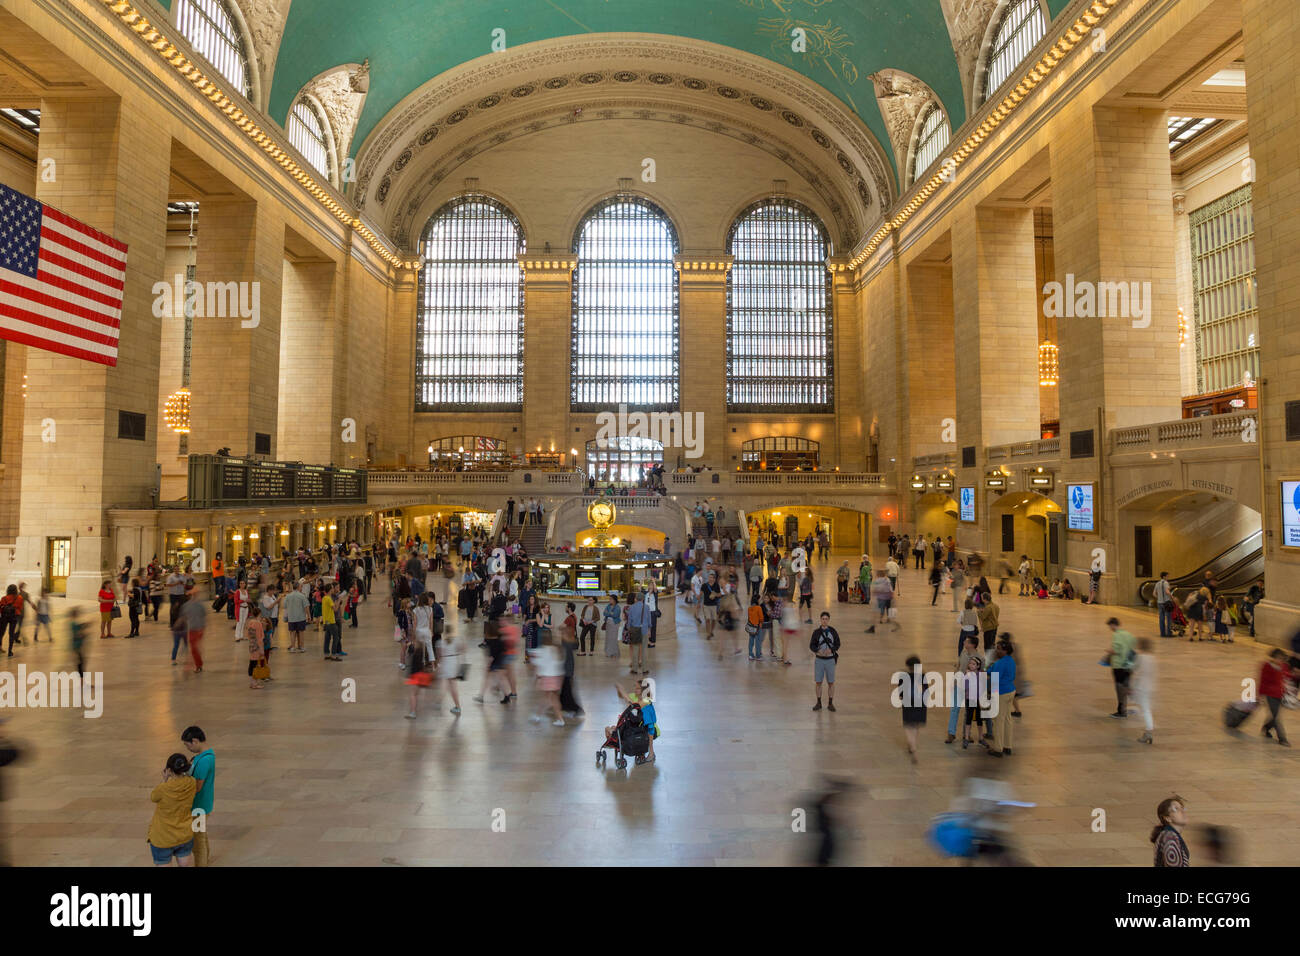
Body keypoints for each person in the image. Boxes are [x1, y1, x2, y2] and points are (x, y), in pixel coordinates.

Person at [147, 753, 198, 867]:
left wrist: (164, 779)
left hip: (163, 837)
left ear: (169, 770)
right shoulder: (192, 782)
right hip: (184, 833)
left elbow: (153, 797)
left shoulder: (163, 788)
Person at [181, 726, 215, 866]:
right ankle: (205, 860)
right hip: (203, 804)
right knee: (202, 835)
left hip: (198, 807)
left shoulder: (204, 761)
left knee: (198, 841)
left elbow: (197, 787)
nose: (187, 748)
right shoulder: (205, 756)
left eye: (187, 744)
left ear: (195, 741)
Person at [945, 635, 982, 745]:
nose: (964, 643)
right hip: (959, 685)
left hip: (971, 689)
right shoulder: (963, 653)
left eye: (966, 642)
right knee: (954, 708)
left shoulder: (980, 658)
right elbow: (959, 665)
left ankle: (966, 733)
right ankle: (951, 733)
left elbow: (982, 674)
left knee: (968, 711)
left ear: (972, 645)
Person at [986, 637, 1017, 757]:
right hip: (1011, 691)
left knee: (998, 720)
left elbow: (995, 680)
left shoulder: (1000, 663)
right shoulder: (1010, 660)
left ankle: (998, 748)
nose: (996, 651)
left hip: (1002, 693)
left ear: (1005, 651)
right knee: (1007, 718)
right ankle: (1007, 746)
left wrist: (991, 694)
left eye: (998, 649)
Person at [1257, 648, 1294, 747]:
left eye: (1281, 659)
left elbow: (1285, 676)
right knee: (1277, 717)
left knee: (1274, 715)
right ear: (1272, 658)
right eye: (1278, 658)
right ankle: (1282, 738)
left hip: (1280, 694)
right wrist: (1259, 695)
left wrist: (1293, 676)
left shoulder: (1283, 666)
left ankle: (1266, 727)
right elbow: (1262, 681)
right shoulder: (1266, 666)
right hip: (1270, 695)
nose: (1280, 661)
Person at [1106, 617, 1136, 719]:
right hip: (1128, 665)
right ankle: (1126, 706)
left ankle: (1121, 711)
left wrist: (1110, 652)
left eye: (1110, 626)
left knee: (1120, 688)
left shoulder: (1116, 635)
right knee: (1126, 685)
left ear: (1113, 625)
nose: (1110, 628)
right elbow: (1133, 645)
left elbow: (1117, 650)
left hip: (1118, 665)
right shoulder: (1128, 634)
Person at [810, 612, 840, 712]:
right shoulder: (816, 632)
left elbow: (838, 643)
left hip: (830, 660)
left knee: (831, 682)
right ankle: (818, 702)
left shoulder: (833, 631)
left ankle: (830, 703)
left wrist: (831, 650)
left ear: (829, 620)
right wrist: (818, 651)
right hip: (819, 660)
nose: (824, 620)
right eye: (823, 618)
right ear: (820, 619)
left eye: (826, 619)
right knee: (818, 682)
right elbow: (812, 645)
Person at [900, 655, 926, 763]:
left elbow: (900, 692)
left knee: (908, 725)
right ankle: (912, 745)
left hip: (908, 702)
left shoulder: (903, 676)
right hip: (920, 703)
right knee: (915, 725)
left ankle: (913, 747)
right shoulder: (923, 675)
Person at [1151, 795, 1189, 867]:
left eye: (1182, 808)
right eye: (1176, 809)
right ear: (1167, 818)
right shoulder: (1169, 837)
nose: (1182, 811)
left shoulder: (1169, 835)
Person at [1131, 638, 1156, 744]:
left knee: (1145, 709)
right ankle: (1148, 729)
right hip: (1150, 686)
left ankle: (1149, 731)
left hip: (1141, 687)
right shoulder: (1152, 658)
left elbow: (1134, 670)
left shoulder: (1140, 657)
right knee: (1145, 708)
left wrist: (1132, 686)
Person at [624, 590, 650, 675]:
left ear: (636, 599)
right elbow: (649, 620)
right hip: (644, 630)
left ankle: (634, 669)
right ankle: (644, 669)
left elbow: (629, 620)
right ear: (643, 599)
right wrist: (649, 629)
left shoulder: (632, 607)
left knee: (635, 650)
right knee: (644, 650)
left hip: (634, 630)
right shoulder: (646, 607)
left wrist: (629, 629)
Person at [182, 590, 207, 673]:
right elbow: (184, 617)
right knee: (194, 648)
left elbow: (204, 616)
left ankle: (197, 665)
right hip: (192, 629)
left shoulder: (200, 605)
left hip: (199, 629)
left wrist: (203, 628)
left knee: (194, 648)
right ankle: (198, 664)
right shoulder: (186, 606)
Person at [282, 580, 309, 654]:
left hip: (291, 617)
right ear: (298, 587)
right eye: (301, 586)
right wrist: (309, 616)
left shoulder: (288, 596)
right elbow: (306, 607)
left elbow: (284, 606)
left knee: (292, 633)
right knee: (301, 632)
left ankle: (293, 647)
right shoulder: (302, 596)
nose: (301, 588)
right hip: (300, 617)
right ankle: (302, 647)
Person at [246, 606, 267, 689]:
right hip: (257, 646)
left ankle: (252, 682)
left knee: (252, 663)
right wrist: (261, 649)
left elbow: (248, 634)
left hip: (251, 644)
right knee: (255, 665)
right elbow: (259, 638)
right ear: (259, 614)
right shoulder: (258, 624)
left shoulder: (250, 622)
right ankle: (254, 683)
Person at [1152, 571, 1174, 637]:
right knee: (1169, 618)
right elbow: (1167, 592)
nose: (1168, 577)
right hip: (1166, 603)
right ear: (1164, 577)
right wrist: (1172, 597)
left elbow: (1154, 593)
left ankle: (1162, 633)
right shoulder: (1166, 583)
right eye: (1167, 576)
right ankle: (1169, 633)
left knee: (1161, 618)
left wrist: (1159, 598)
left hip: (1159, 603)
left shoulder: (1157, 583)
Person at [602, 593, 622, 658]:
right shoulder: (608, 606)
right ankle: (608, 652)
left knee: (613, 638)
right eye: (609, 599)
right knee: (608, 638)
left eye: (611, 599)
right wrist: (610, 613)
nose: (609, 600)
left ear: (614, 600)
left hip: (614, 624)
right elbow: (604, 613)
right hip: (608, 623)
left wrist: (609, 613)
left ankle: (615, 653)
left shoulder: (617, 607)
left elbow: (615, 615)